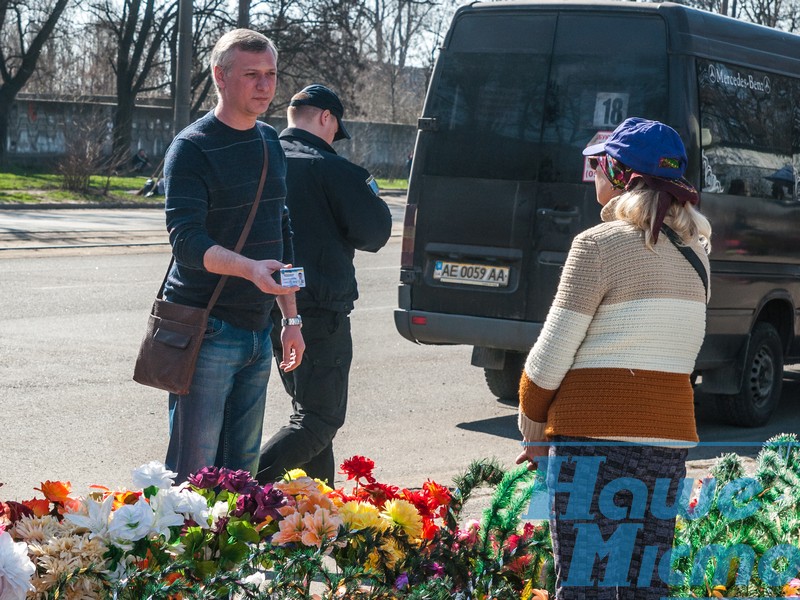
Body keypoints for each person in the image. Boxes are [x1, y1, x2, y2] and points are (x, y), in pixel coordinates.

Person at [515, 118, 711, 599]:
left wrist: (533, 427)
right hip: (666, 446)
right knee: (646, 585)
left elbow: (549, 358)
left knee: (585, 585)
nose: (593, 174)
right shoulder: (699, 255)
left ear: (621, 176)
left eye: (598, 164)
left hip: (590, 447)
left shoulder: (596, 246)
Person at [162, 29, 305, 482]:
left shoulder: (269, 143)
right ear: (220, 77)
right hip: (207, 329)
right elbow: (186, 243)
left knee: (241, 475)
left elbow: (282, 235)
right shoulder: (192, 148)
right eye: (252, 75)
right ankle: (180, 553)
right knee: (193, 476)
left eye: (271, 74)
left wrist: (292, 320)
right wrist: (248, 270)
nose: (265, 86)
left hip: (258, 329)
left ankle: (234, 556)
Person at [256, 84, 393, 486]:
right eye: (335, 128)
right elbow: (374, 234)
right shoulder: (332, 169)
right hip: (318, 310)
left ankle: (318, 511)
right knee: (320, 418)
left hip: (271, 307)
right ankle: (238, 491)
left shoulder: (263, 158)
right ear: (326, 118)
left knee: (310, 413)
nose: (334, 137)